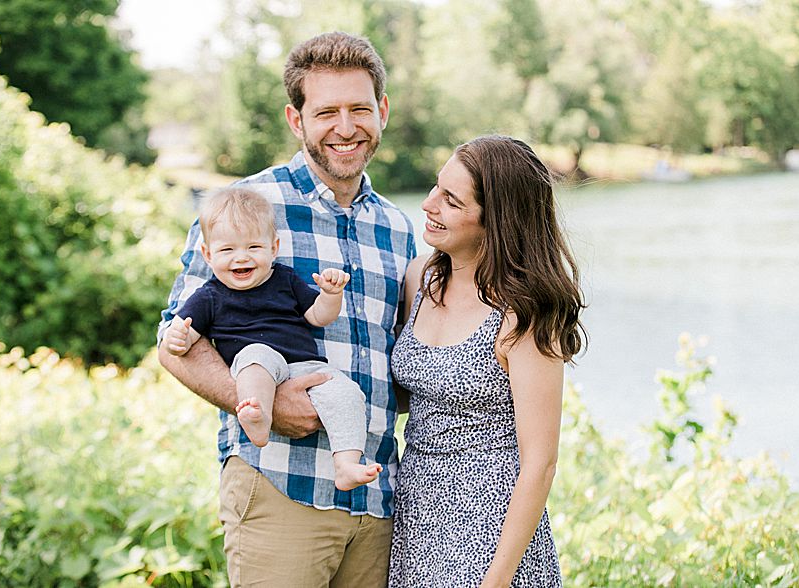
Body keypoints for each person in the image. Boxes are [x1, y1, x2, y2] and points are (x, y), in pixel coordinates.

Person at [158, 31, 414, 585]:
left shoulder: (397, 227)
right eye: (327, 112)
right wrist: (265, 406)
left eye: (359, 109)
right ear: (297, 120)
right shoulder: (245, 208)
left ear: (383, 111)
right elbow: (174, 343)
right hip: (280, 486)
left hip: (378, 502)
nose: (346, 127)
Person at [387, 135, 585, 586]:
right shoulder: (421, 278)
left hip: (491, 532)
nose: (428, 204)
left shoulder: (524, 312)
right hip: (416, 519)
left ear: (495, 220)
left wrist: (495, 581)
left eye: (451, 201)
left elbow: (541, 464)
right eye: (437, 188)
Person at [163, 187, 382, 492]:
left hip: (305, 367)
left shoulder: (285, 279)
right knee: (256, 356)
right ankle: (257, 416)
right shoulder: (208, 297)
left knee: (346, 392)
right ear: (208, 255)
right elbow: (183, 337)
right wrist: (178, 338)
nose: (242, 257)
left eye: (253, 247)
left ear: (273, 247)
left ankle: (346, 464)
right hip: (257, 367)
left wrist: (331, 295)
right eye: (227, 251)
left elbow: (318, 316)